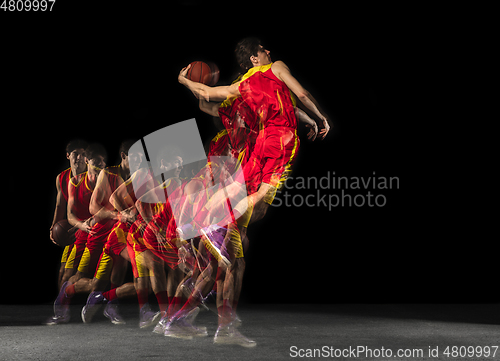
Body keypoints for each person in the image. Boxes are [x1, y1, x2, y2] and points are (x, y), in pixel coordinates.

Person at [50, 139, 88, 289]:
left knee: (70, 274)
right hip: (73, 229)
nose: (79, 158)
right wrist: (53, 227)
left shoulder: (93, 177)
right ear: (68, 156)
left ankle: (62, 310)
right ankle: (62, 309)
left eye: (83, 154)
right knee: (62, 272)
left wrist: (82, 225)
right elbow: (59, 205)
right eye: (75, 154)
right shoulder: (61, 178)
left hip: (89, 228)